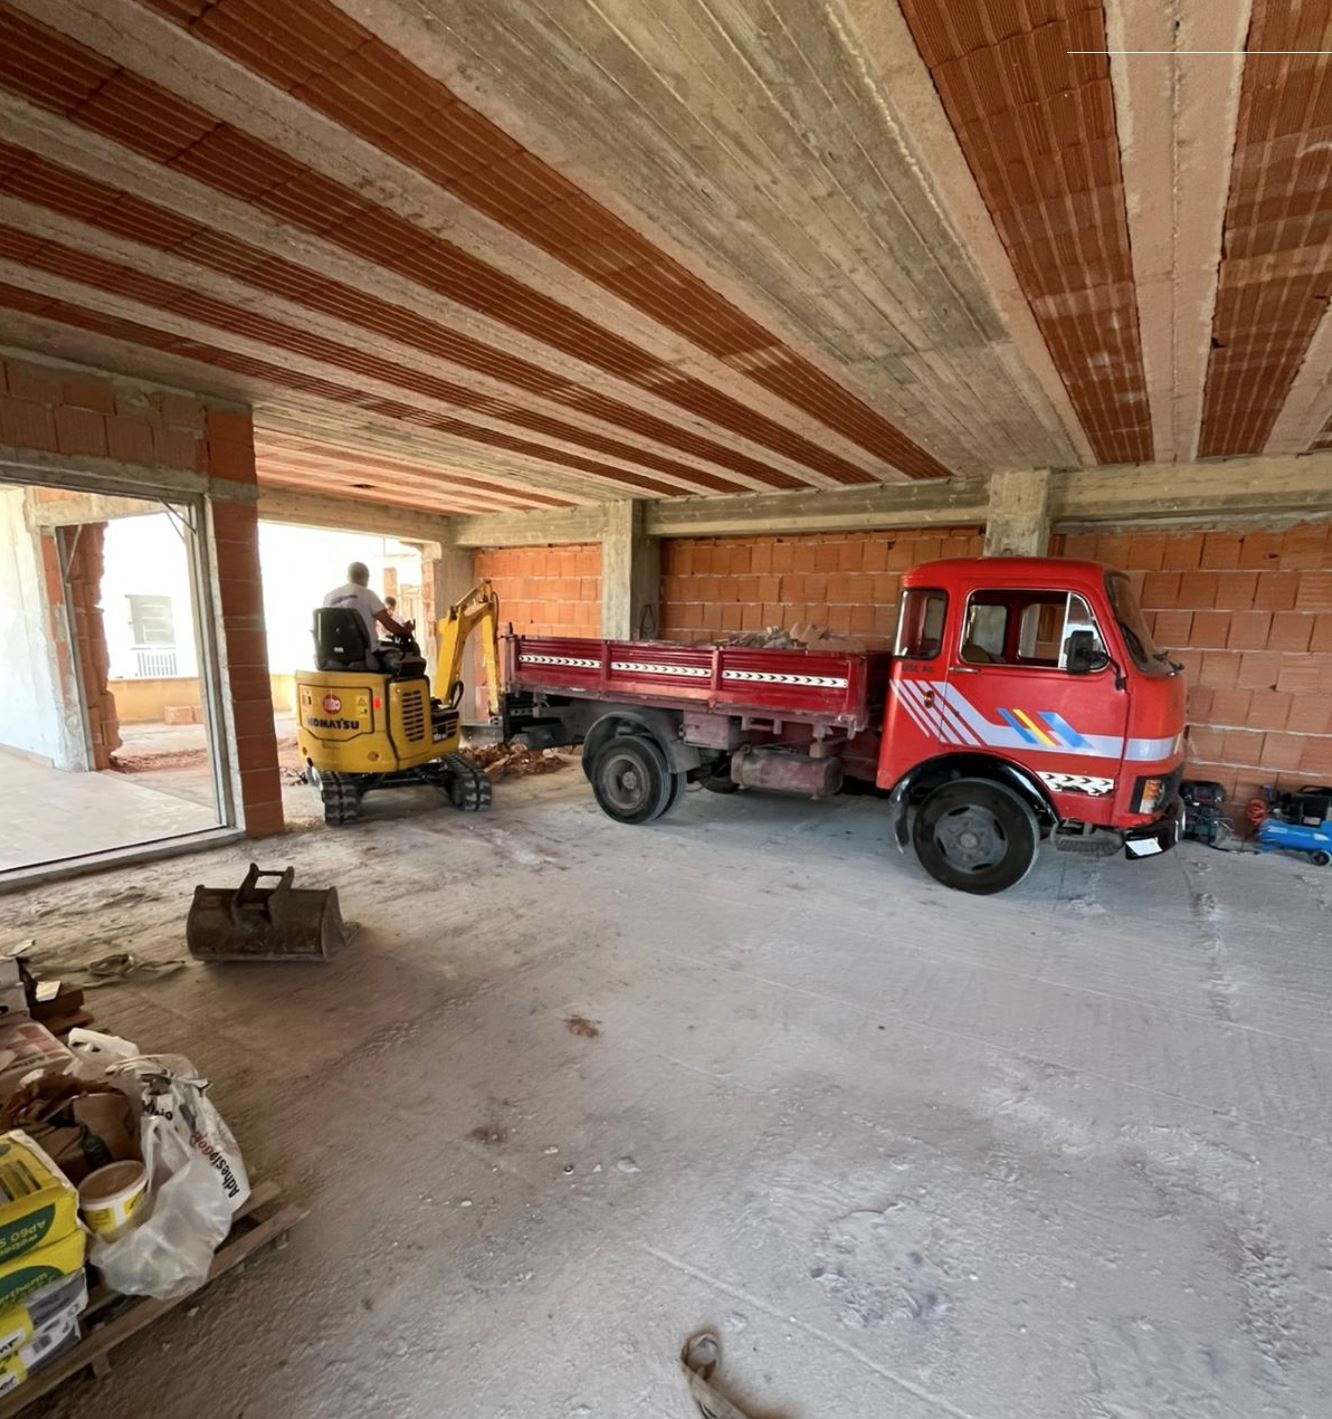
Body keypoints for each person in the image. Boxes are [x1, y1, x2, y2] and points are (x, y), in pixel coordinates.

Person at [323, 562, 412, 653]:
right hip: (363, 654)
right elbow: (391, 626)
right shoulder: (368, 595)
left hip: (333, 654)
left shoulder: (329, 596)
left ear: (348, 576)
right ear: (367, 577)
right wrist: (405, 630)